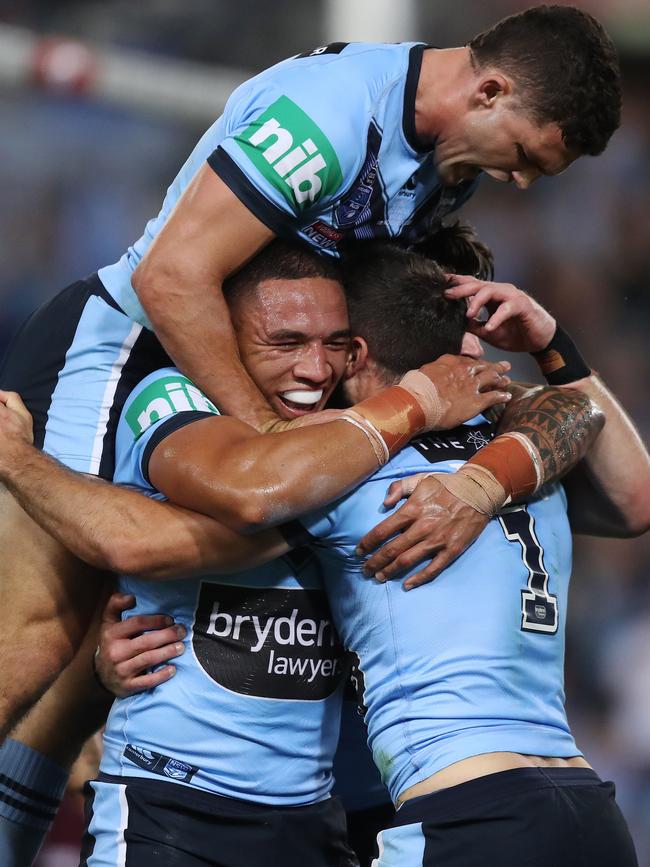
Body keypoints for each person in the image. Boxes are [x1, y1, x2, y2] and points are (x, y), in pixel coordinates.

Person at [0, 5, 623, 733]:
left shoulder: (447, 167)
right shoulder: (331, 116)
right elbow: (170, 277)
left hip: (220, 373)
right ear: (489, 93)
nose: (518, 182)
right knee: (36, 636)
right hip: (122, 346)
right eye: (523, 155)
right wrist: (267, 433)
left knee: (95, 680)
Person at [0, 237, 601, 866]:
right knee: (50, 658)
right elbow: (176, 526)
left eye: (333, 344)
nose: (315, 369)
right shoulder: (177, 400)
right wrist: (16, 460)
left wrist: (487, 474)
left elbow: (578, 416)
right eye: (285, 343)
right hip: (177, 805)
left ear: (358, 347)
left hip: (334, 812)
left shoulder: (384, 437)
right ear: (225, 339)